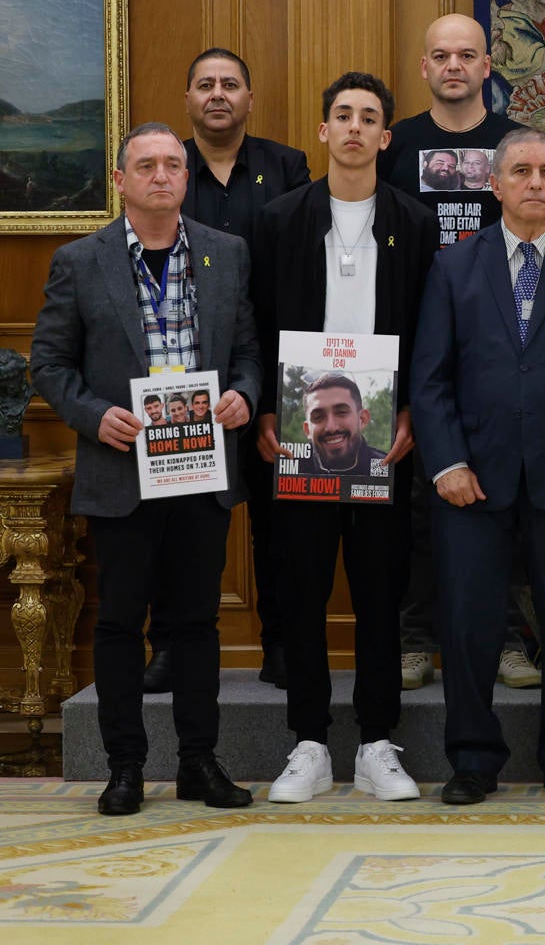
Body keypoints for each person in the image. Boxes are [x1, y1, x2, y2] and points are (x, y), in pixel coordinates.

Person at [30, 123, 262, 816]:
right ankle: (124, 768)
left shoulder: (227, 254)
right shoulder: (80, 261)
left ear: (186, 179)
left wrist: (244, 395)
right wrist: (93, 414)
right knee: (120, 626)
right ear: (121, 181)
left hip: (199, 471)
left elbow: (250, 352)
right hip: (121, 473)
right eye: (147, 165)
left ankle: (199, 762)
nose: (162, 175)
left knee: (195, 625)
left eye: (173, 165)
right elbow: (48, 363)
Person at [412, 127, 545, 804]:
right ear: (496, 184)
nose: (535, 182)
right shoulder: (455, 266)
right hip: (472, 478)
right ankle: (473, 759)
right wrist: (445, 461)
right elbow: (430, 380)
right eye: (521, 171)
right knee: (471, 624)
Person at [252, 72, 437, 804]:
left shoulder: (414, 224)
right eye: (342, 116)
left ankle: (375, 743)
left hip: (383, 439)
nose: (355, 127)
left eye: (369, 118)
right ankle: (307, 743)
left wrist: (413, 411)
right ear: (323, 132)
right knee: (298, 590)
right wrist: (267, 407)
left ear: (386, 138)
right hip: (300, 434)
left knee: (379, 591)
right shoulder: (278, 220)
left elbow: (430, 331)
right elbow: (255, 324)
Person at [378, 14, 528, 693]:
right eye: (440, 55)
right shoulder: (397, 144)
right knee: (413, 499)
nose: (454, 66)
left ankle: (505, 638)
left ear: (488, 65)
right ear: (424, 67)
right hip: (411, 343)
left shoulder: (513, 145)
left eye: (467, 55)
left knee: (502, 496)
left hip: (503, 345)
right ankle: (414, 637)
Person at [165, 47, 310, 694]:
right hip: (183, 379)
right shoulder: (166, 170)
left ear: (250, 98)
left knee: (281, 524)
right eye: (205, 85)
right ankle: (171, 648)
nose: (217, 94)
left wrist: (281, 390)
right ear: (188, 99)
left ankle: (282, 645)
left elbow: (303, 275)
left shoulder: (288, 168)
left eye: (230, 84)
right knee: (184, 526)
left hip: (276, 375)